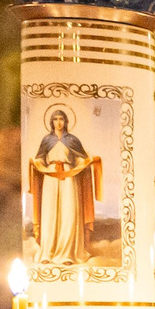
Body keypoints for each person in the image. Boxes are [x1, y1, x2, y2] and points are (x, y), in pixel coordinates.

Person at [28, 106, 99, 269]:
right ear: (51, 122)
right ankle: (47, 252)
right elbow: (40, 159)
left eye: (61, 119)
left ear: (66, 122)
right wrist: (37, 164)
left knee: (69, 213)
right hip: (50, 176)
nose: (58, 122)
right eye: (55, 119)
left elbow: (83, 158)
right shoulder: (47, 140)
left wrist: (83, 164)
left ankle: (67, 253)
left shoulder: (72, 140)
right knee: (50, 213)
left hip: (69, 176)